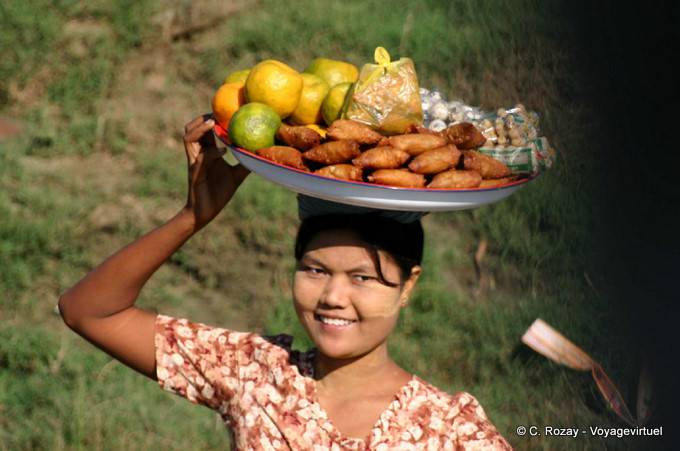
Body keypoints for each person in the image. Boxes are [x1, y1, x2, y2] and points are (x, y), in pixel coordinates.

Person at [58, 115, 512, 450]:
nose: (334, 298)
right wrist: (192, 218)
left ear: (408, 285)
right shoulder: (256, 373)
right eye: (314, 271)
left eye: (362, 278)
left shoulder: (451, 429)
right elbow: (89, 311)